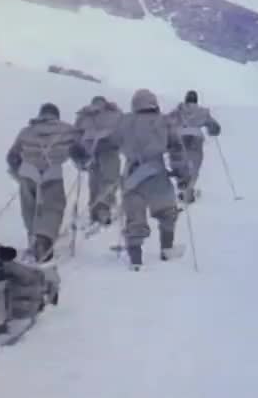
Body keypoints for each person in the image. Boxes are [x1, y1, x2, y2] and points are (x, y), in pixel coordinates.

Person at [72, 89, 189, 269]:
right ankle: (166, 248)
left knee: (134, 219)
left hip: (132, 177)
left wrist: (83, 153)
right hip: (157, 175)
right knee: (166, 213)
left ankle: (136, 260)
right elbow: (176, 149)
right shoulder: (165, 122)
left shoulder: (123, 122)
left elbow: (107, 142)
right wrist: (182, 175)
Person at [6, 103, 83, 262]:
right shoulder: (67, 130)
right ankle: (44, 241)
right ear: (56, 116)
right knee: (52, 208)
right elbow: (79, 151)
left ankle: (33, 239)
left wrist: (18, 173)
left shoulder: (27, 131)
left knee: (29, 208)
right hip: (52, 172)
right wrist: (83, 161)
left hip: (28, 173)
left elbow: (12, 156)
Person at [74, 96, 123, 226]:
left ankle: (95, 211)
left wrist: (78, 155)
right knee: (110, 179)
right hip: (109, 150)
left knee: (95, 181)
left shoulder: (84, 115)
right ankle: (103, 209)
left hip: (90, 152)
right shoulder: (114, 113)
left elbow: (76, 135)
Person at [167, 90, 221, 203]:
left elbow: (167, 121)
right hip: (196, 139)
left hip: (180, 138)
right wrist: (214, 130)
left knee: (179, 163)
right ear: (196, 100)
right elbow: (213, 125)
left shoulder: (178, 111)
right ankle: (189, 189)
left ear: (185, 99)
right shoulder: (202, 112)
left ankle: (182, 184)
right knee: (195, 165)